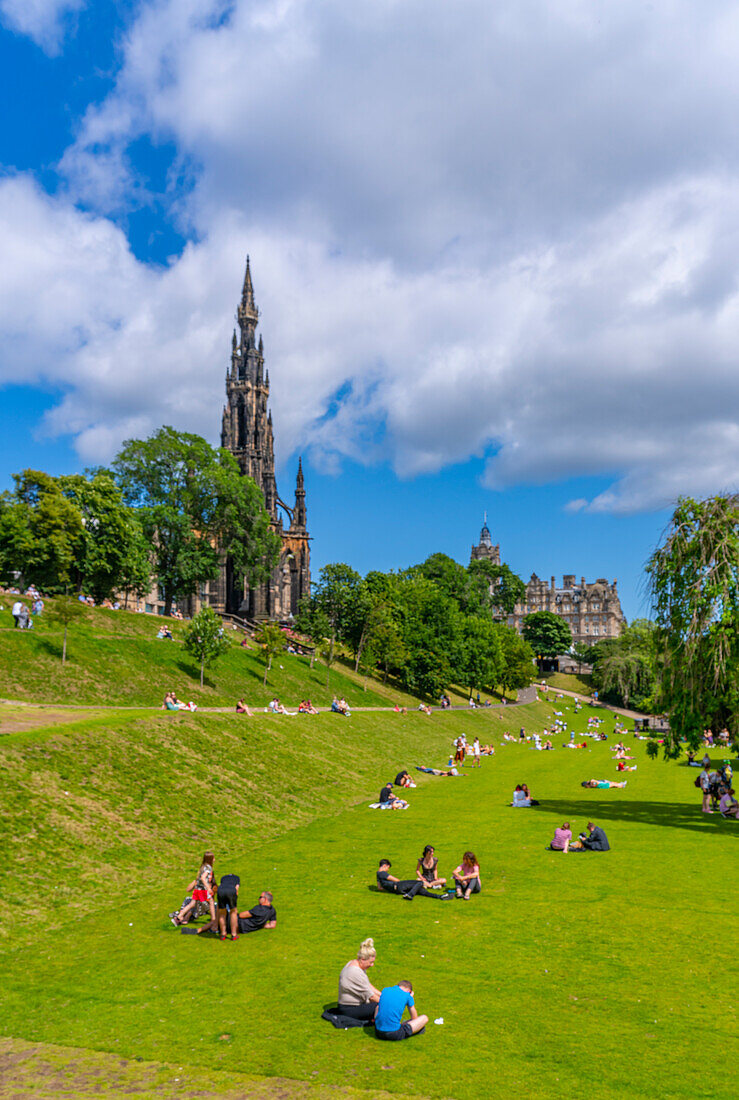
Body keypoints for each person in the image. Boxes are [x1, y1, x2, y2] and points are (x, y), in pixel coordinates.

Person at [337, 938, 381, 1021]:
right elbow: (371, 996)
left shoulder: (355, 963)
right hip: (350, 1009)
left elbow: (367, 985)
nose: (372, 965)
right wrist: (389, 1003)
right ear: (363, 959)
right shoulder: (355, 973)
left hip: (350, 1006)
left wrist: (383, 996)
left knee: (382, 1003)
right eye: (370, 962)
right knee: (381, 1006)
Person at [172, 852, 216, 925]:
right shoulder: (208, 867)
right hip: (203, 889)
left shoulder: (203, 867)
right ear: (210, 859)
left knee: (192, 904)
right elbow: (203, 878)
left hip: (197, 889)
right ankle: (213, 920)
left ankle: (179, 916)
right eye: (213, 858)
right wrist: (208, 887)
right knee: (211, 902)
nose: (214, 859)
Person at [376, 859, 450, 900]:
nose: (387, 870)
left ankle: (439, 896)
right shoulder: (383, 873)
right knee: (420, 882)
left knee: (421, 890)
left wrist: (389, 887)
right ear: (385, 866)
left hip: (397, 891)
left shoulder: (378, 875)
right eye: (387, 868)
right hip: (399, 885)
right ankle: (410, 895)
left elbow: (380, 888)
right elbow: (396, 880)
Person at [196, 872, 241, 939]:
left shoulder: (223, 877)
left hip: (221, 891)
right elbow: (236, 888)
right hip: (231, 890)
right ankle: (234, 934)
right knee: (233, 912)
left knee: (222, 913)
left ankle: (223, 934)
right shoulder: (237, 878)